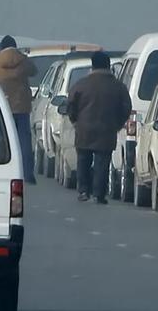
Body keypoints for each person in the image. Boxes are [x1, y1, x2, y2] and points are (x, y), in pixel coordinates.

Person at [66, 51, 132, 204]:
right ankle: (99, 194)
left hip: (84, 129)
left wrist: (76, 121)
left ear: (92, 65)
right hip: (107, 129)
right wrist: (118, 123)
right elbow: (126, 107)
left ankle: (83, 191)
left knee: (83, 160)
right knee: (102, 163)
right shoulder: (118, 86)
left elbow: (71, 106)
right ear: (108, 66)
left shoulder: (81, 85)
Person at [0, 35, 37, 184]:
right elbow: (34, 70)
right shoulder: (22, 60)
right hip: (21, 106)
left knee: (2, 141)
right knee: (24, 141)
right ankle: (27, 174)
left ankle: (1, 172)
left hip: (3, 107)